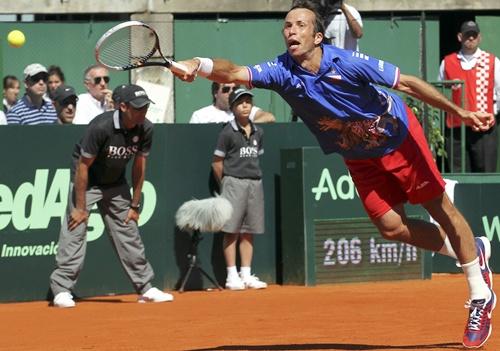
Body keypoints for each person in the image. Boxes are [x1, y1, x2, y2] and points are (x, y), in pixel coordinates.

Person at [175, 1, 496, 348]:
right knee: (391, 227)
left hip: (398, 139)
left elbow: (409, 83)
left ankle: (480, 294)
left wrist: (458, 111)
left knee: (440, 209)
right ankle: (470, 250)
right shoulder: (281, 71)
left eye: (300, 25)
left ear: (318, 36)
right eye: (287, 26)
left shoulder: (345, 61)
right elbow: (234, 72)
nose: (291, 31)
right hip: (358, 156)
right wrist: (200, 64)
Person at [49, 84, 173, 308]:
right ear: (122, 107)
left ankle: (145, 288)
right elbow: (82, 167)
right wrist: (80, 207)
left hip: (116, 184)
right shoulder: (101, 127)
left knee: (128, 231)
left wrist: (134, 204)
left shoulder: (146, 128)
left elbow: (139, 166)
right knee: (75, 229)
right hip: (88, 182)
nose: (143, 111)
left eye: (145, 107)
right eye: (138, 107)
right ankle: (62, 290)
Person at [212, 88, 268, 290]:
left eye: (248, 102)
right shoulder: (227, 132)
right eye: (240, 102)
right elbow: (217, 162)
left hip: (255, 183)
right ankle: (231, 276)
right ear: (233, 107)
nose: (245, 105)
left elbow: (256, 156)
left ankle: (246, 274)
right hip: (233, 182)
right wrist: (226, 183)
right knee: (231, 230)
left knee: (249, 231)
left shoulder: (258, 132)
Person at [439, 20, 500, 173]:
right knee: (458, 172)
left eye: (474, 35)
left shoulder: (492, 61)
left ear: (479, 37)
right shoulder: (447, 62)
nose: (471, 39)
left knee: (486, 172)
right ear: (460, 37)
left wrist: (493, 113)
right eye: (467, 35)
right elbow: (439, 91)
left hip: (483, 127)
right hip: (456, 128)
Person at [189, 82, 275, 124]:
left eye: (235, 88)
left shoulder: (244, 109)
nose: (231, 92)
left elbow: (269, 117)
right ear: (215, 93)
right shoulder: (200, 115)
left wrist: (246, 128)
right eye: (226, 89)